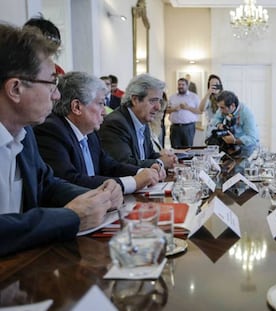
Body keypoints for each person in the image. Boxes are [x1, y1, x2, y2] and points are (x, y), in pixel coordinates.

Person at [0, 23, 122, 256]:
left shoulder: (26, 136)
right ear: (15, 88)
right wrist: (70, 217)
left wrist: (99, 197)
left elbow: (47, 184)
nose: (57, 96)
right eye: (51, 83)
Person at [34, 71, 164, 194]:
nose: (104, 111)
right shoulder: (51, 131)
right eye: (100, 104)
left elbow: (108, 165)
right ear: (77, 107)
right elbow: (70, 180)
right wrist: (133, 182)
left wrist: (142, 171)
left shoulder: (89, 132)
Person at [98, 74, 176, 169]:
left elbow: (149, 155)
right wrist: (160, 162)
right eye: (153, 101)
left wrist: (166, 158)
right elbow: (123, 164)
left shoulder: (143, 121)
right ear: (135, 100)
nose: (158, 107)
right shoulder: (116, 124)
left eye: (159, 101)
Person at [211, 90, 259, 157]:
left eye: (222, 108)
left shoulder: (246, 114)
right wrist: (219, 125)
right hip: (231, 149)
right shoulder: (223, 109)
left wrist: (235, 141)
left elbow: (252, 138)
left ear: (232, 105)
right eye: (219, 107)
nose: (220, 110)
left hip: (247, 150)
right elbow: (215, 119)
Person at [166, 78, 200, 148]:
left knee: (188, 149)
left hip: (188, 127)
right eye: (179, 84)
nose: (180, 86)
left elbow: (199, 111)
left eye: (183, 84)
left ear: (187, 86)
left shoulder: (194, 97)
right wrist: (174, 109)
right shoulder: (172, 97)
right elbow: (166, 110)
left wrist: (188, 108)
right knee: (175, 149)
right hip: (175, 127)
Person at [196, 74, 223, 139]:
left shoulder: (225, 96)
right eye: (212, 85)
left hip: (223, 128)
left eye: (216, 84)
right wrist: (208, 93)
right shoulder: (208, 98)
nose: (215, 86)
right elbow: (201, 109)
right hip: (212, 129)